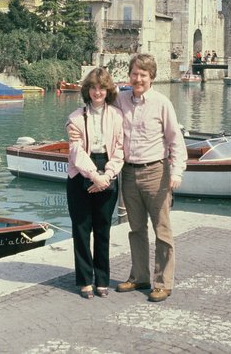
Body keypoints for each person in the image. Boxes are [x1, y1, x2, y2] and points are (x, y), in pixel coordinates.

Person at [113, 53, 187, 303]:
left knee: (162, 230)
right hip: (129, 172)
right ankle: (139, 276)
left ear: (151, 78)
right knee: (135, 229)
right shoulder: (121, 100)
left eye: (143, 75)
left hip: (156, 171)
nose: (138, 79)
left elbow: (175, 139)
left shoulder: (161, 103)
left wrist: (176, 172)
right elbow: (98, 104)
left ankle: (163, 282)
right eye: (134, 74)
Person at [65, 68, 124, 300]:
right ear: (87, 90)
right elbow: (76, 152)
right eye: (93, 87)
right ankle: (84, 279)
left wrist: (107, 175)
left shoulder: (118, 117)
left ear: (108, 91)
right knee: (81, 229)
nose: (97, 92)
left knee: (103, 230)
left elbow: (120, 150)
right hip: (81, 173)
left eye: (102, 88)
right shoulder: (75, 118)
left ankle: (102, 279)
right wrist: (94, 175)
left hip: (108, 168)